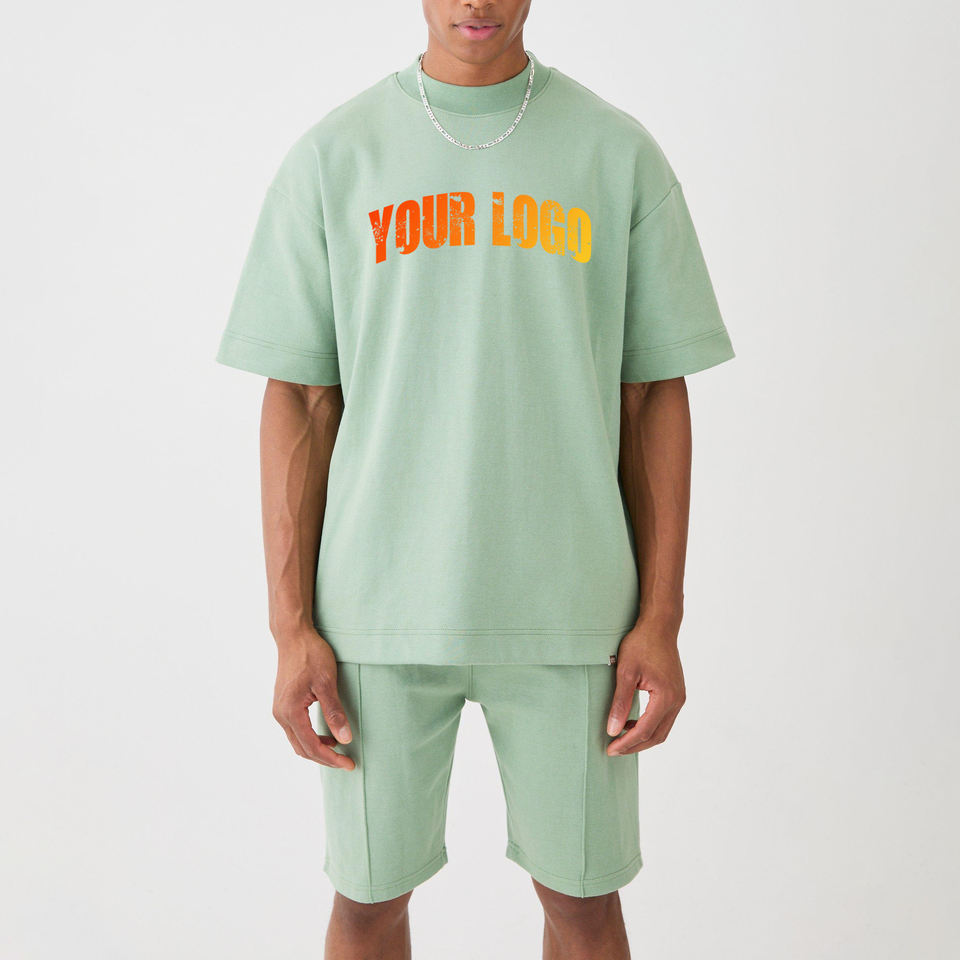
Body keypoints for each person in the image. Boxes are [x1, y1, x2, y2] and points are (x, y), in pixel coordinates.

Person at [215, 2, 735, 957]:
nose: (476, 2)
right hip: (376, 612)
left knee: (584, 904)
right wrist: (291, 628)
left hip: (574, 613)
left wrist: (661, 618)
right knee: (367, 902)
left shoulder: (615, 154)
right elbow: (300, 398)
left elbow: (653, 395)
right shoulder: (335, 158)